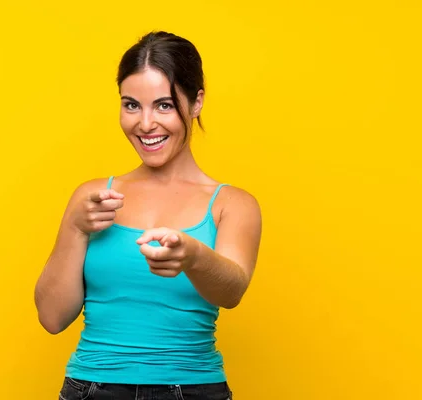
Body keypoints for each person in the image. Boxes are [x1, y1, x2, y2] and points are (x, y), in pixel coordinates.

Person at [35, 31, 262, 400]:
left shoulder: (231, 204)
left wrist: (193, 254)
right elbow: (52, 318)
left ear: (197, 101)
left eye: (164, 105)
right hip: (91, 389)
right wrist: (76, 228)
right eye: (131, 105)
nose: (144, 124)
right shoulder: (92, 198)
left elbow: (232, 291)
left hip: (192, 390)